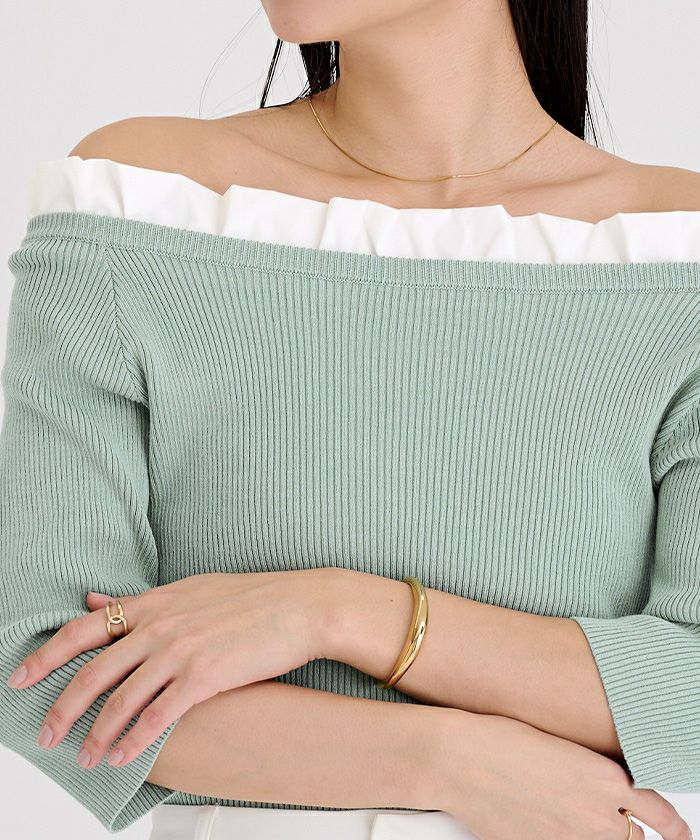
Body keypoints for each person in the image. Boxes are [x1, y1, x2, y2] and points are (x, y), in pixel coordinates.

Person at [1, 1, 699, 838]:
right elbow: (44, 665)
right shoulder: (138, 206)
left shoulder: (675, 256)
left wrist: (335, 612)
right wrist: (450, 761)